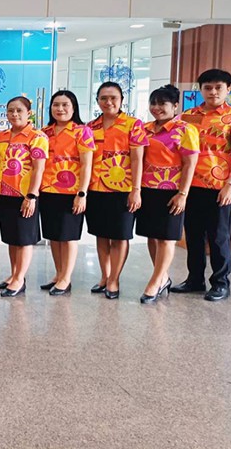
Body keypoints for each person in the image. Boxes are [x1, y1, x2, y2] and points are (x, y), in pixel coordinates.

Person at [173, 69, 231, 301]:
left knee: (218, 237)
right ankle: (195, 279)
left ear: (228, 89)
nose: (213, 92)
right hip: (190, 186)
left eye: (218, 87)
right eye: (208, 88)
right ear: (201, 90)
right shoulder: (188, 116)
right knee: (193, 235)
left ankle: (220, 283)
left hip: (219, 187)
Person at [135, 84, 199, 304]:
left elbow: (190, 163)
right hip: (147, 189)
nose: (157, 108)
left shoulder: (185, 130)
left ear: (175, 106)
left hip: (171, 191)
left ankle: (155, 282)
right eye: (153, 103)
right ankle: (162, 277)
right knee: (152, 236)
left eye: (162, 103)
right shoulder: (144, 129)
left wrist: (183, 193)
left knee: (166, 238)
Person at [86, 81, 149, 299]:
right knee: (101, 234)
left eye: (113, 98)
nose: (108, 102)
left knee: (120, 236)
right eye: (103, 98)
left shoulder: (133, 125)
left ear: (121, 100)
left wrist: (136, 189)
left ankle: (114, 279)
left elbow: (137, 159)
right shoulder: (90, 127)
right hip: (95, 188)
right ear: (97, 101)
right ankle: (105, 276)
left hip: (123, 189)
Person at [39, 90, 95, 296]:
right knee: (53, 236)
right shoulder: (44, 133)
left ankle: (66, 278)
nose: (60, 109)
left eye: (65, 105)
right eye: (56, 105)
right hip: (47, 190)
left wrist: (82, 193)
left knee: (68, 236)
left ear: (74, 108)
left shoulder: (82, 132)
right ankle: (58, 274)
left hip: (71, 192)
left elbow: (87, 165)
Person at [0, 97, 48, 297]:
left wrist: (31, 196)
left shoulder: (37, 136)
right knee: (12, 237)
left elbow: (39, 169)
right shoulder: (2, 136)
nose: (14, 114)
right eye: (10, 110)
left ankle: (19, 279)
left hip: (25, 194)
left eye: (19, 110)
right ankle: (14, 274)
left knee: (24, 238)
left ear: (29, 113)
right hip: (4, 192)